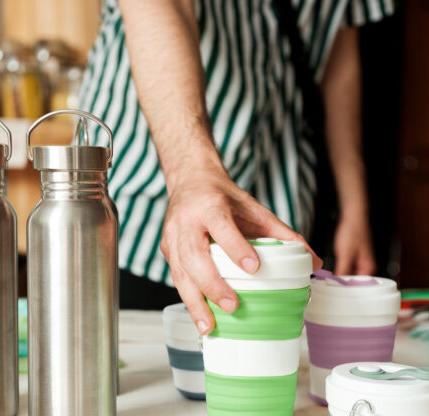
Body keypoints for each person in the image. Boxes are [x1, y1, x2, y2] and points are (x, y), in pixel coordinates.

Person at [78, 0, 394, 334]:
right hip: (139, 208)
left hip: (276, 201)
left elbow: (337, 53)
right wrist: (192, 175)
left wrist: (354, 208)